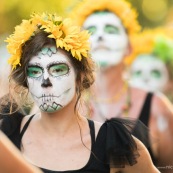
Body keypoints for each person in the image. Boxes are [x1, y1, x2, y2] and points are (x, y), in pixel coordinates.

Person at [0, 13, 159, 173]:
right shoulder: (6, 133)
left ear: (80, 76)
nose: (45, 81)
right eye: (35, 71)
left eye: (58, 70)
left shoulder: (113, 144)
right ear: (25, 79)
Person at [70, 0, 173, 172]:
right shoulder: (64, 104)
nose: (100, 36)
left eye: (111, 29)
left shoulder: (157, 107)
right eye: (91, 31)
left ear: (129, 48)